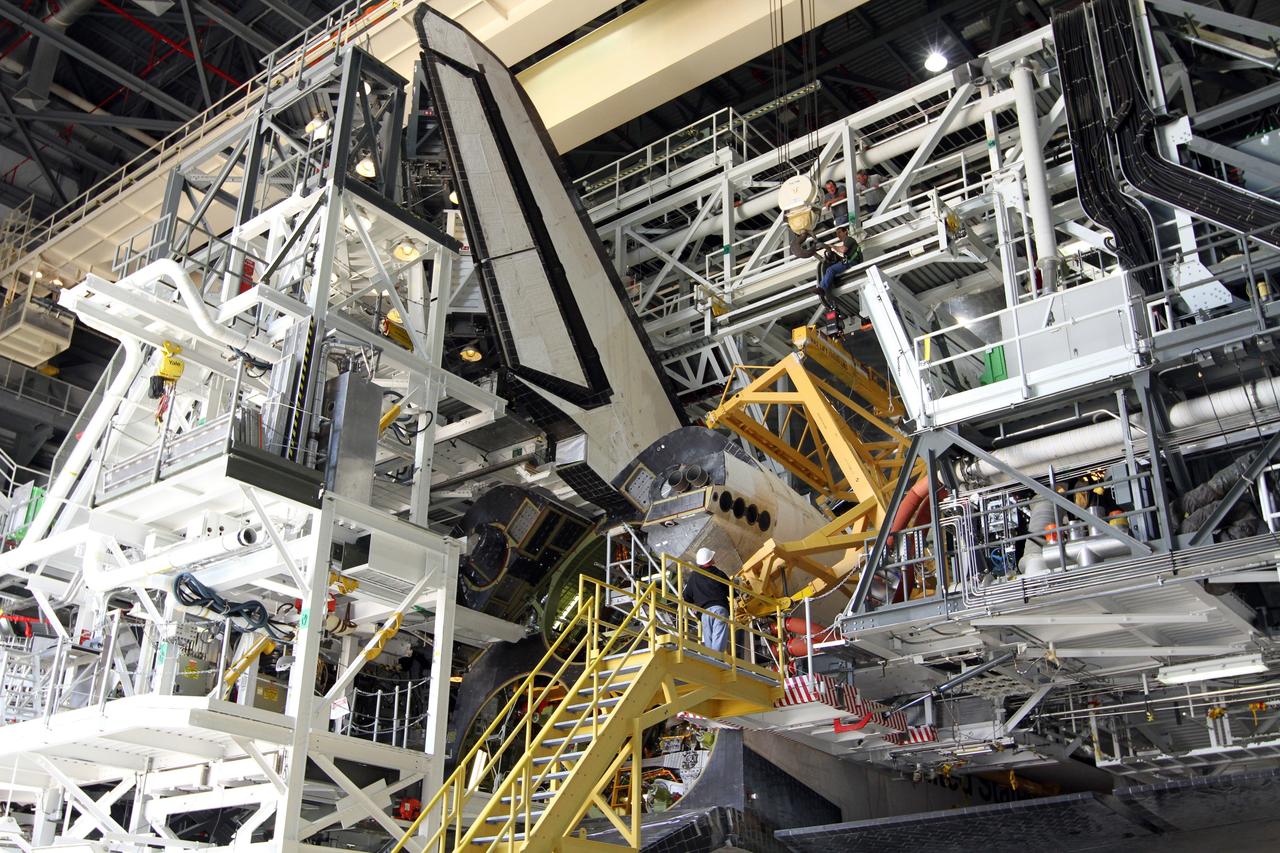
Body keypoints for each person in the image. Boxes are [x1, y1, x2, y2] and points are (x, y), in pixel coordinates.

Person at [683, 547, 730, 653]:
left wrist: (695, 603)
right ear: (710, 560)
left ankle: (711, 660)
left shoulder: (694, 577)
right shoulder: (719, 573)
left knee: (709, 639)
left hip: (704, 612)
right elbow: (731, 591)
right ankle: (716, 659)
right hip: (719, 609)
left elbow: (686, 596)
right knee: (719, 636)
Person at [816, 226, 862, 298]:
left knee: (831, 269)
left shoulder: (849, 239)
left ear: (845, 231)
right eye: (837, 234)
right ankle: (823, 286)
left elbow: (843, 250)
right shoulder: (847, 242)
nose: (838, 235)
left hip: (852, 262)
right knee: (831, 269)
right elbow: (844, 256)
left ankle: (822, 288)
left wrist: (832, 246)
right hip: (850, 261)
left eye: (840, 232)